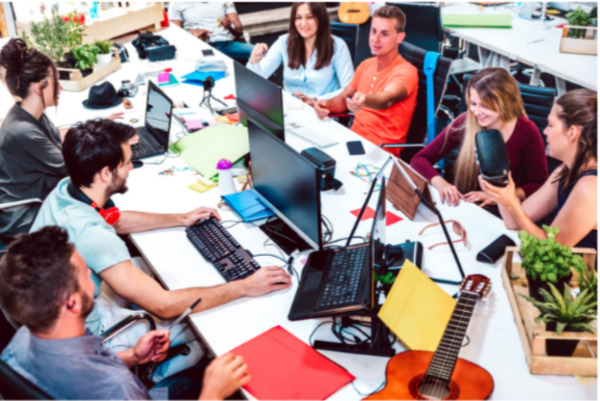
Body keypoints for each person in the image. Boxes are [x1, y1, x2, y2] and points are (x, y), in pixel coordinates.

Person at [30, 119, 292, 381]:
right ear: (106, 173)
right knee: (206, 321)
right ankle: (156, 377)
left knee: (157, 272)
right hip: (87, 337)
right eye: (127, 163)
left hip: (58, 308)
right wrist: (245, 285)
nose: (132, 167)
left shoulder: (68, 189)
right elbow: (165, 306)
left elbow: (115, 219)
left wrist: (180, 218)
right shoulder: (91, 235)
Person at [0, 226, 250, 400]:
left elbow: (79, 372)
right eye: (84, 272)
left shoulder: (21, 340)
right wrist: (213, 394)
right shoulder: (116, 387)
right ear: (72, 303)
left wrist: (131, 356)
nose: (91, 275)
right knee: (221, 374)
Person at [0, 38, 122, 244]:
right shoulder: (23, 130)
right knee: (105, 216)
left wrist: (97, 128)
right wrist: (116, 151)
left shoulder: (26, 113)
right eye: (57, 81)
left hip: (38, 199)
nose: (61, 88)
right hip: (24, 219)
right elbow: (73, 168)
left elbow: (57, 135)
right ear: (39, 87)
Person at [411, 68, 549, 209]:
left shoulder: (526, 131)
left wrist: (496, 196)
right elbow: (419, 159)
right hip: (464, 203)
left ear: (506, 102)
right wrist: (442, 184)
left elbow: (539, 184)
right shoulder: (466, 121)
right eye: (473, 103)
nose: (476, 112)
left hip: (504, 209)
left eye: (484, 105)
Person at [480, 89, 597, 250]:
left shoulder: (591, 187)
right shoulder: (564, 170)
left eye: (551, 125)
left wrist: (512, 203)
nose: (545, 131)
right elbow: (513, 222)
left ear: (572, 132)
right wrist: (500, 184)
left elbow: (552, 250)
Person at [313, 5, 418, 156]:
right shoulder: (366, 65)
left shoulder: (407, 71)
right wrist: (326, 104)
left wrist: (364, 100)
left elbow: (388, 98)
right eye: (373, 31)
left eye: (385, 34)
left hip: (382, 151)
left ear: (400, 37)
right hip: (352, 141)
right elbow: (343, 99)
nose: (375, 39)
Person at [247, 2, 354, 105]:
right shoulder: (284, 42)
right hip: (290, 111)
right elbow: (255, 80)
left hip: (323, 111)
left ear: (321, 18)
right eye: (298, 18)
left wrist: (316, 100)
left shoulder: (338, 46)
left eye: (309, 17)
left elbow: (349, 89)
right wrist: (254, 60)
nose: (303, 23)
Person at [169, 2, 254, 60]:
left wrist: (229, 25)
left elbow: (238, 30)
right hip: (197, 46)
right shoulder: (176, 3)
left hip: (225, 44)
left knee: (262, 53)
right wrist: (193, 33)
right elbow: (175, 36)